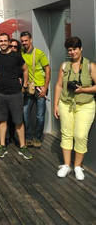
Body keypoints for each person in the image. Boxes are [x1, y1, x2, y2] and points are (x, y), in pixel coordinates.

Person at [54, 37, 96, 180]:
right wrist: (55, 104)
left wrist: (83, 90)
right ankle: (67, 165)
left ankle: (78, 166)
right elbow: (59, 85)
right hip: (66, 104)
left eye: (74, 49)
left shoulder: (90, 65)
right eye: (69, 50)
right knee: (66, 134)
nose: (72, 52)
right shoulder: (64, 66)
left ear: (81, 49)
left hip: (85, 106)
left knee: (80, 135)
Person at [0, 33, 32, 160]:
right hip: (0, 93)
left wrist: (25, 85)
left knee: (18, 121)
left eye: (5, 41)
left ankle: (23, 146)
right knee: (2, 120)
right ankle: (2, 146)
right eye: (1, 41)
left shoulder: (16, 55)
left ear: (9, 42)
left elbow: (25, 69)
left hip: (15, 93)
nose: (3, 43)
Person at [21, 31, 51, 148]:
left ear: (31, 40)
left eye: (26, 41)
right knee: (25, 113)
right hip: (28, 88)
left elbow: (48, 70)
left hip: (39, 88)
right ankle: (28, 137)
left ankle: (37, 138)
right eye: (22, 41)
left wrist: (45, 87)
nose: (24, 43)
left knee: (40, 116)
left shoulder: (39, 53)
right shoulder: (21, 53)